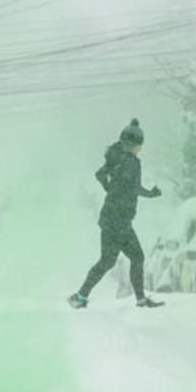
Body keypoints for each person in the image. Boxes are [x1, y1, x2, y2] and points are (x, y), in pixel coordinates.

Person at [68, 119, 164, 309]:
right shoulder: (131, 162)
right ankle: (141, 300)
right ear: (135, 145)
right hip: (120, 220)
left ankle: (80, 297)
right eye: (140, 145)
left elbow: (100, 174)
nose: (141, 149)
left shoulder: (115, 156)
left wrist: (110, 188)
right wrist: (151, 194)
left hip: (109, 217)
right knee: (136, 257)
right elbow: (134, 187)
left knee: (107, 261)